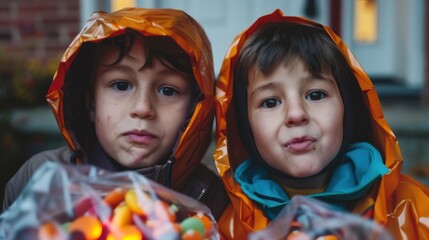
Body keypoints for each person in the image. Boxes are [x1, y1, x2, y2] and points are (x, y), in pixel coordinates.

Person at [214, 9, 429, 239]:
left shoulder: (412, 209)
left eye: (315, 95)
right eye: (270, 102)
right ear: (244, 128)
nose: (296, 114)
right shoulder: (229, 225)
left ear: (348, 107)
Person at [3, 7, 229, 220]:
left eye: (168, 90)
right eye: (121, 85)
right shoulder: (38, 180)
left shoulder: (209, 197)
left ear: (194, 111)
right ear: (91, 104)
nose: (142, 108)